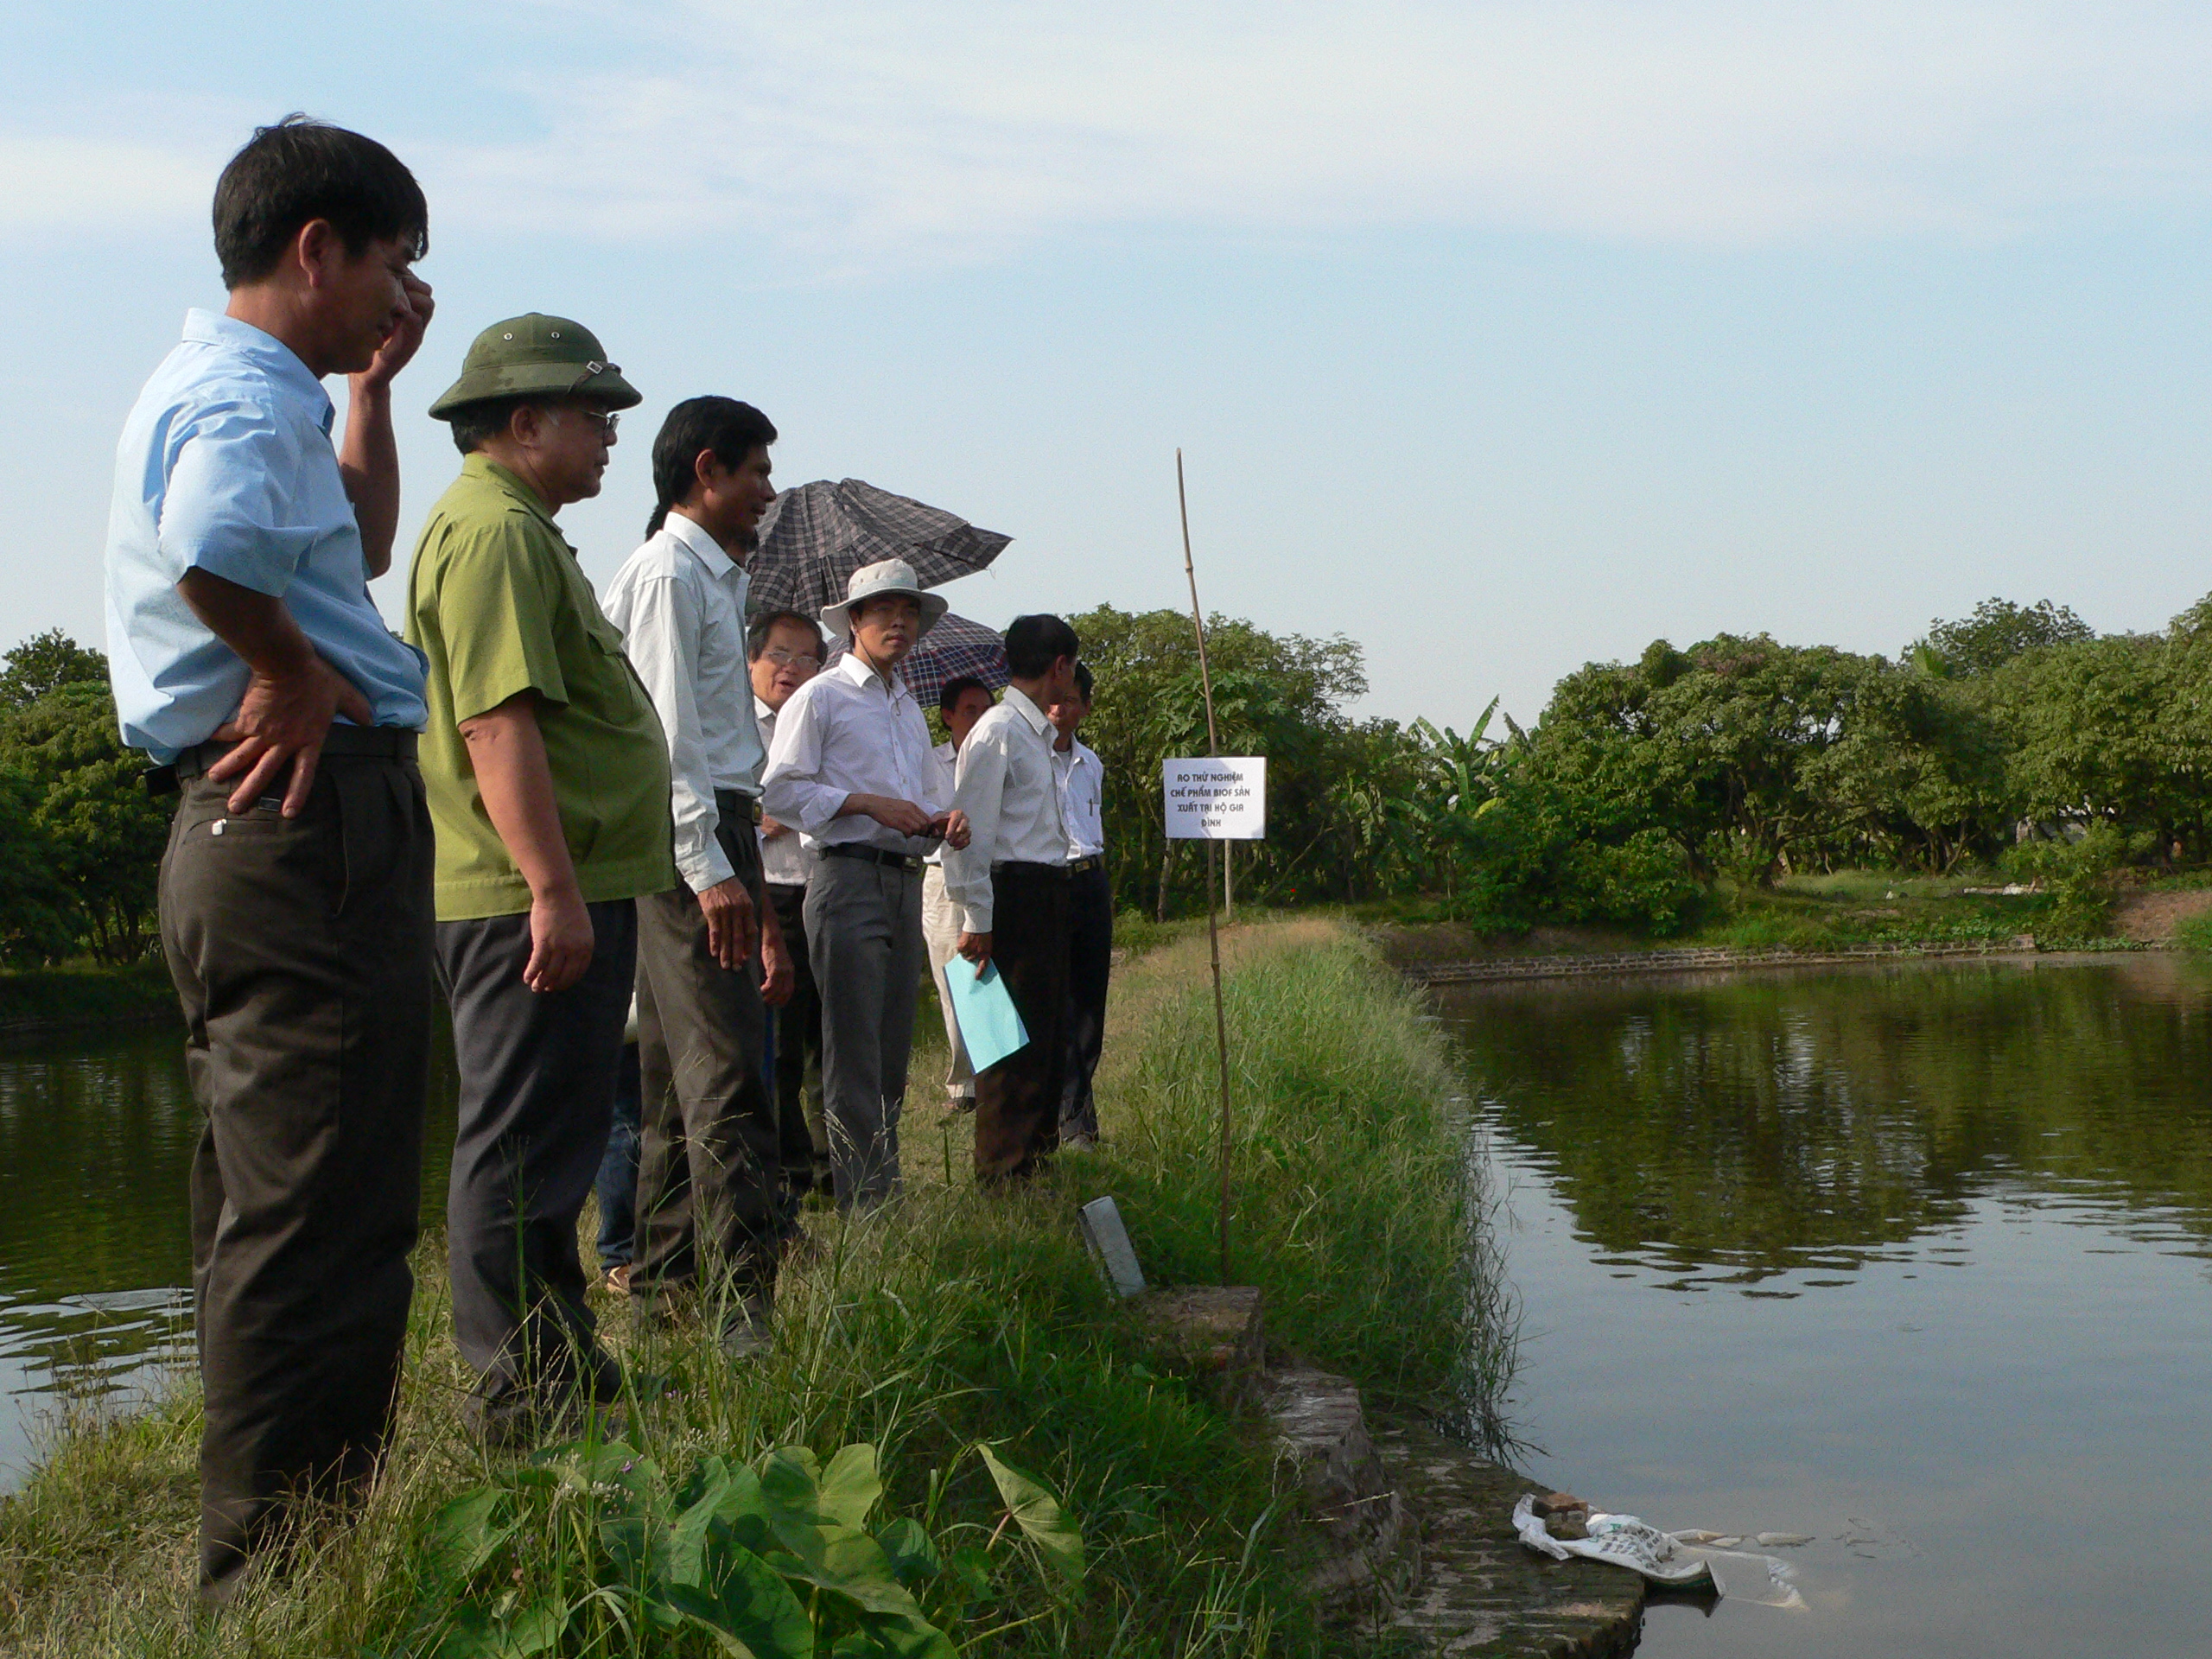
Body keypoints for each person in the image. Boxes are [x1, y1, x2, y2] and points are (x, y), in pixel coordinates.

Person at [104, 116, 434, 1599]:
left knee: (289, 1199)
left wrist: (371, 397)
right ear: (317, 250)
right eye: (391, 265)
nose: (399, 293)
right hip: (302, 818)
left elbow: (343, 556)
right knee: (318, 1214)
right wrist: (289, 672)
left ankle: (286, 1561)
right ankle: (274, 1582)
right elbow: (217, 549)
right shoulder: (239, 395)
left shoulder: (264, 389)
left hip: (263, 824)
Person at [406, 313, 672, 1440]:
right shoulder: (495, 534)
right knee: (518, 1147)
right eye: (592, 416)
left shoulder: (518, 526)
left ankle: (558, 1355)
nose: (611, 438)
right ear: (525, 424)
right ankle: (519, 1400)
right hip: (523, 899)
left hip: (551, 888)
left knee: (552, 1147)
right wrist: (551, 891)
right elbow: (496, 724)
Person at [601, 397, 794, 1356]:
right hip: (691, 833)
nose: (766, 492)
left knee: (679, 1085)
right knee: (725, 1075)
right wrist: (706, 865)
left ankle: (666, 1294)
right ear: (707, 470)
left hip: (717, 824)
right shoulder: (671, 573)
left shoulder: (713, 576)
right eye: (756, 472)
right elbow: (663, 734)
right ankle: (741, 1313)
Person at [760, 561, 968, 1207]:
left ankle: (885, 1184)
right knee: (850, 1053)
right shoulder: (820, 696)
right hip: (845, 878)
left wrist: (946, 820)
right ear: (854, 622)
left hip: (905, 880)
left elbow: (926, 798)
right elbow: (780, 790)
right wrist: (866, 804)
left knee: (890, 1052)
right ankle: (862, 1204)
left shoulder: (906, 705)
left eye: (908, 612)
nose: (898, 623)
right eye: (883, 611)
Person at [944, 615, 1082, 1185]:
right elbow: (968, 831)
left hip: (1047, 889)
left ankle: (1035, 1160)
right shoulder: (999, 730)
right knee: (1008, 1044)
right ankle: (1003, 1174)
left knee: (1045, 1037)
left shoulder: (1035, 735)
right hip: (1011, 893)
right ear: (1060, 667)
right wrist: (977, 915)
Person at [751, 607, 832, 1203]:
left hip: (824, 889)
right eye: (780, 654)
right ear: (752, 659)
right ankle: (786, 1176)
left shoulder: (821, 723)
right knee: (777, 1046)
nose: (792, 668)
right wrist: (763, 818)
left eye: (807, 657)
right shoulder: (731, 727)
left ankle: (835, 1170)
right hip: (768, 896)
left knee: (828, 1042)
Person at [921, 677, 996, 1109]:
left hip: (990, 873)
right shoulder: (930, 762)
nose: (980, 718)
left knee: (989, 974)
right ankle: (963, 1082)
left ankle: (994, 1072)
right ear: (947, 716)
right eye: (970, 710)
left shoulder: (996, 758)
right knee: (953, 977)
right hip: (942, 876)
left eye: (986, 709)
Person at [1050, 663, 1110, 1147]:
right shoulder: (1026, 757)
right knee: (1056, 1005)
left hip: (1092, 880)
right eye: (1053, 698)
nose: (1058, 709)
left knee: (1090, 1005)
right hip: (1047, 884)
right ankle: (1069, 1119)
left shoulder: (1091, 763)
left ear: (1085, 708)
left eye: (1070, 700)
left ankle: (1078, 1111)